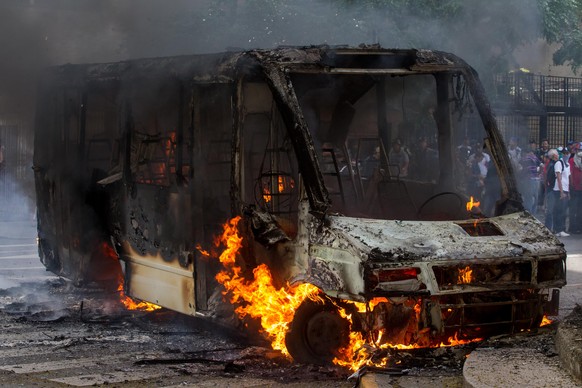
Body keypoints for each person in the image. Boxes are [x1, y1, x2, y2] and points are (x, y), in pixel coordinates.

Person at [545, 148, 570, 236]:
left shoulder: (557, 164)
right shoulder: (557, 164)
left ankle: (555, 229)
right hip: (555, 190)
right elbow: (558, 178)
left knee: (556, 210)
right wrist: (561, 191)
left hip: (555, 189)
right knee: (555, 210)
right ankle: (555, 229)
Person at [520, 142, 542, 214]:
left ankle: (529, 215)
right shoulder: (534, 158)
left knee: (528, 198)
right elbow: (541, 165)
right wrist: (539, 173)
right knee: (534, 198)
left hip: (529, 181)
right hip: (534, 180)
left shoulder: (524, 159)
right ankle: (533, 215)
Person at [569, 143, 582, 234]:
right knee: (573, 209)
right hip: (574, 188)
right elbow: (569, 173)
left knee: (580, 209)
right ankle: (572, 227)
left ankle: (579, 227)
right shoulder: (571, 161)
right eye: (578, 150)